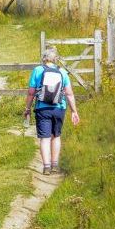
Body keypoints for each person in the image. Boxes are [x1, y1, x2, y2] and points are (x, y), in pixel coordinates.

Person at [23, 46, 80, 175]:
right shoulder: (62, 72)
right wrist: (74, 111)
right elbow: (69, 94)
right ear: (56, 59)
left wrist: (27, 109)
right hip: (59, 108)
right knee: (56, 136)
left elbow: (31, 92)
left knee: (45, 138)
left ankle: (46, 167)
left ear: (44, 58)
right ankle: (55, 165)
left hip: (42, 109)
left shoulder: (38, 70)